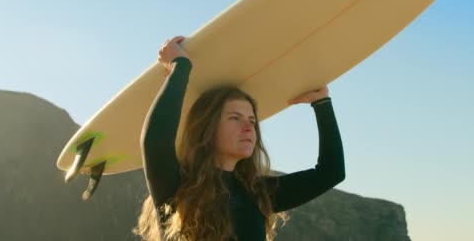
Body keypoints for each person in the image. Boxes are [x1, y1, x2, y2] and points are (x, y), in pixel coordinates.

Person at [133, 36, 345, 241]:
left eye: (252, 120)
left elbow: (331, 172)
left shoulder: (258, 194)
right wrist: (181, 67)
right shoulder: (177, 186)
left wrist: (322, 103)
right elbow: (155, 141)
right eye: (235, 118)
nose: (248, 128)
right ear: (207, 128)